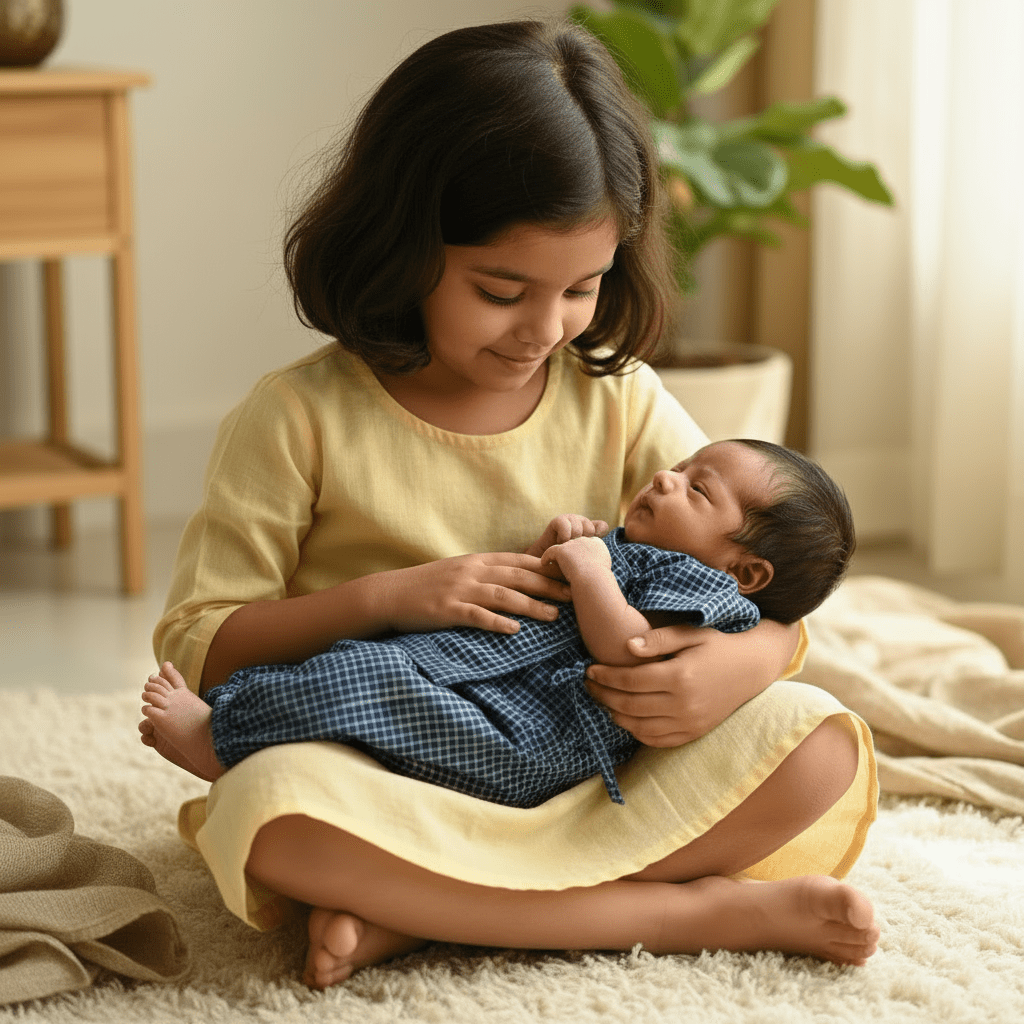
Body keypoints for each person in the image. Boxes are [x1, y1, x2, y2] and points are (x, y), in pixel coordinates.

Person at [142, 19, 880, 989]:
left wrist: (750, 658)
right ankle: (681, 911)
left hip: (583, 768)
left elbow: (756, 584)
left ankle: (419, 917)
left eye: (583, 287)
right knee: (275, 814)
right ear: (403, 245)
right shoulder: (295, 418)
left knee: (818, 743)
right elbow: (198, 642)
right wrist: (387, 599)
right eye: (501, 289)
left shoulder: (619, 400)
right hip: (377, 770)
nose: (544, 328)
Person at [141, 439, 855, 810]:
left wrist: (593, 572)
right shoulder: (642, 548)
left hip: (526, 735)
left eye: (697, 488)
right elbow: (554, 598)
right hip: (475, 681)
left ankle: (223, 743)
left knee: (371, 679)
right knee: (359, 669)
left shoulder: (703, 590)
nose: (667, 479)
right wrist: (559, 547)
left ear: (746, 573)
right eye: (677, 467)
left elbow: (629, 649)